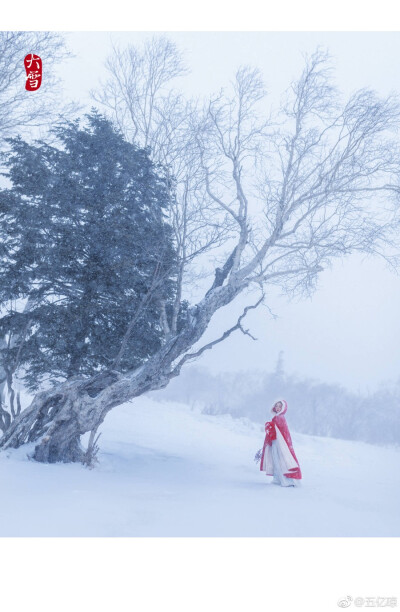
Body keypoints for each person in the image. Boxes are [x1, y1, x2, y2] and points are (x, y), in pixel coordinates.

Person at [259, 399, 302, 487]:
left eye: (280, 406)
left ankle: (286, 480)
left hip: (280, 444)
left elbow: (282, 432)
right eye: (276, 406)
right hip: (276, 442)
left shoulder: (280, 418)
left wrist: (270, 426)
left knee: (281, 460)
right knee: (276, 459)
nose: (278, 408)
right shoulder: (276, 417)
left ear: (283, 408)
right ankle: (278, 478)